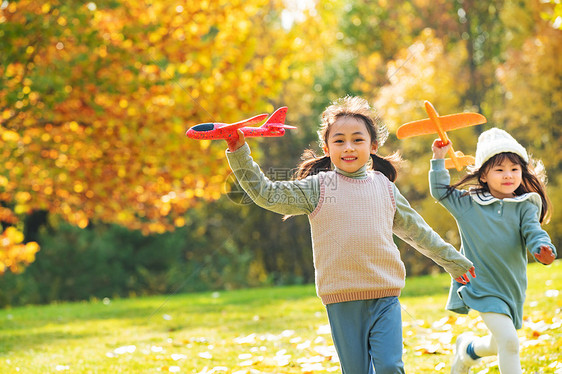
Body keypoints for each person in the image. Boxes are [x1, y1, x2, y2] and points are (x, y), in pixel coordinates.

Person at [225, 96, 475, 374]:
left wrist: (452, 260)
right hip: (341, 299)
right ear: (326, 147)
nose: (349, 147)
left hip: (386, 297)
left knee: (391, 366)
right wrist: (239, 151)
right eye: (339, 140)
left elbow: (419, 232)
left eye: (358, 140)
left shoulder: (385, 187)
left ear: (373, 146)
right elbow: (266, 194)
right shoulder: (318, 187)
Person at [429, 127, 557, 374]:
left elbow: (534, 232)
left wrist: (543, 248)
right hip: (479, 284)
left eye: (514, 169)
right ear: (484, 175)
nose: (508, 175)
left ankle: (467, 350)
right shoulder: (468, 204)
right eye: (499, 169)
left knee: (499, 342)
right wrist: (438, 158)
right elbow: (440, 191)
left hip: (511, 285)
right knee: (509, 341)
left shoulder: (525, 205)